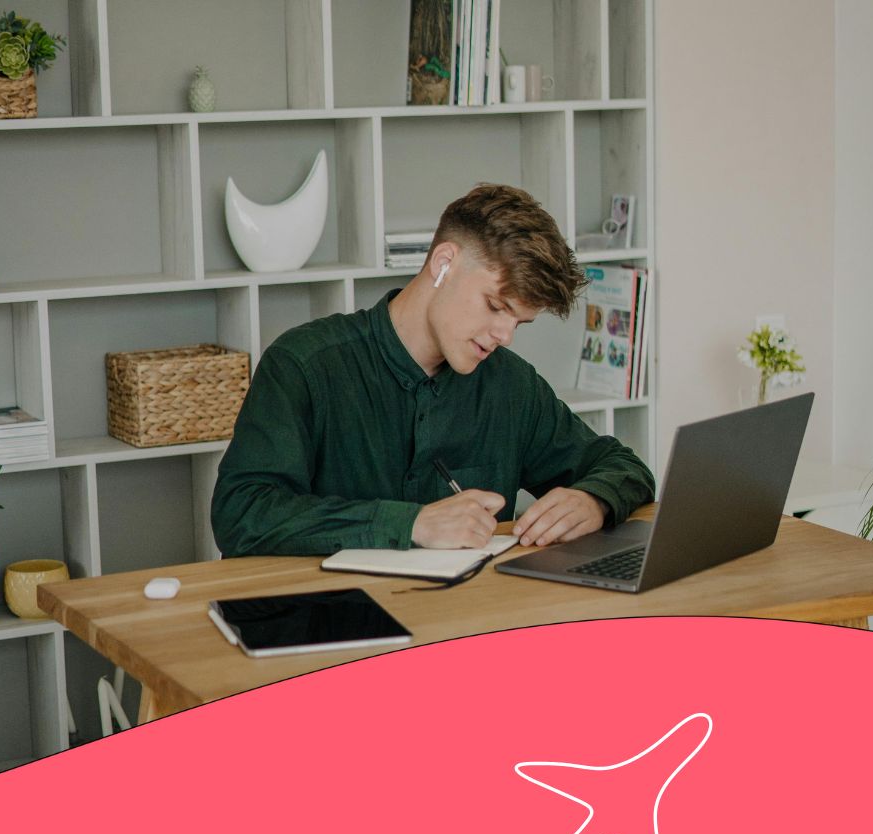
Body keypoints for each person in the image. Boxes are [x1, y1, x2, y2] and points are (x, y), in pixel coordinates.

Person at [210, 182, 654, 556]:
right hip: (334, 634)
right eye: (496, 307)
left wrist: (593, 500)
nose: (504, 335)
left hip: (470, 633)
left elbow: (622, 466)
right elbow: (241, 514)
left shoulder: (511, 385)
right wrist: (411, 524)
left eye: (518, 321)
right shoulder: (305, 365)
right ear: (443, 264)